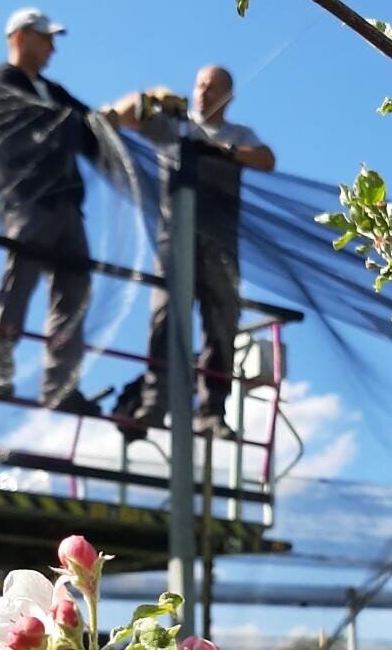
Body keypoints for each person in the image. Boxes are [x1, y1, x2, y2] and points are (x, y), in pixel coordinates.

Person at [108, 65, 275, 439]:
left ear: (227, 96)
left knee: (221, 324)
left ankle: (211, 411)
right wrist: (155, 95)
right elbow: (124, 114)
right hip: (175, 237)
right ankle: (155, 403)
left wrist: (225, 151)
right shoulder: (173, 124)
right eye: (200, 85)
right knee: (166, 319)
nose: (204, 93)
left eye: (213, 88)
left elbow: (266, 159)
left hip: (219, 242)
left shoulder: (238, 134)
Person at [0, 7, 100, 415]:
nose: (51, 47)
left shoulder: (54, 89)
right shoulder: (2, 82)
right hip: (29, 200)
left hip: (66, 202)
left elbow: (90, 126)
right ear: (21, 37)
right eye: (45, 37)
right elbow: (44, 123)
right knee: (19, 282)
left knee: (74, 289)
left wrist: (125, 115)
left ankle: (61, 383)